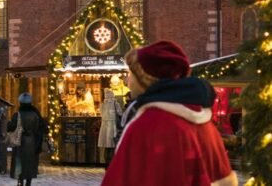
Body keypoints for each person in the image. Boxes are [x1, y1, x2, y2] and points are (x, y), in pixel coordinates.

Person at [101, 40, 237, 186]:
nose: (127, 80)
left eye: (130, 73)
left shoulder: (146, 126)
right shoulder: (206, 124)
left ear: (146, 78)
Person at [8, 93, 48, 186]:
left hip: (19, 142)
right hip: (32, 142)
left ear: (20, 103)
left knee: (19, 162)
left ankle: (20, 181)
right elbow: (38, 129)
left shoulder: (17, 114)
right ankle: (28, 182)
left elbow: (11, 127)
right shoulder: (35, 115)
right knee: (30, 163)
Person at [97, 88, 121, 165]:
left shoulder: (102, 104)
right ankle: (113, 163)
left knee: (106, 147)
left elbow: (101, 114)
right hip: (112, 125)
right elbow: (120, 113)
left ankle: (106, 163)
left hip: (104, 126)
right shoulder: (115, 103)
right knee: (112, 146)